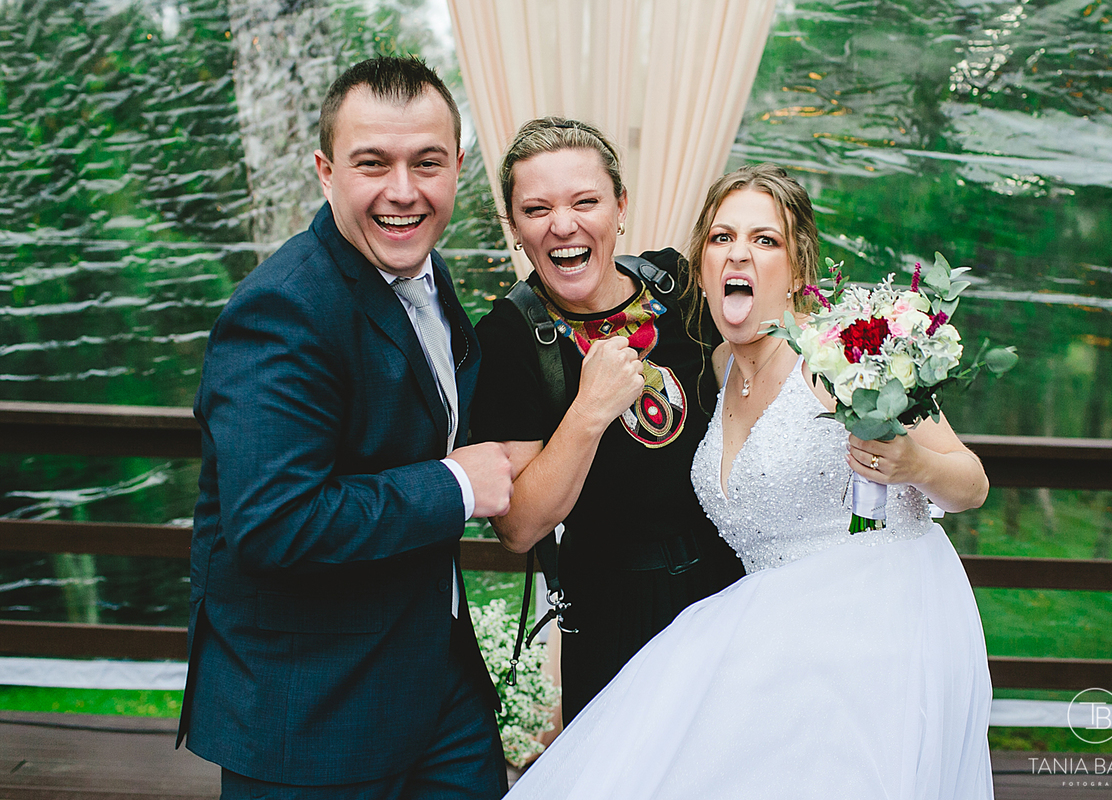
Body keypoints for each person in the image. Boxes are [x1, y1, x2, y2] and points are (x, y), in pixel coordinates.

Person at [503, 163, 995, 799]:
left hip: (874, 630)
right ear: (702, 266)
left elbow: (972, 482)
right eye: (721, 238)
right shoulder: (713, 363)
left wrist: (916, 466)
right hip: (768, 635)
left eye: (765, 240)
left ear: (797, 267)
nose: (740, 253)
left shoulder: (843, 350)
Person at [177, 56, 514, 800]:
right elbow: (276, 524)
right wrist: (456, 486)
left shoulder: (426, 271)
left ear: (456, 167)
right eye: (374, 163)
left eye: (427, 162)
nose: (404, 191)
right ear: (326, 171)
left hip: (437, 682)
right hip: (315, 712)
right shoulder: (282, 312)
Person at [471, 117, 745, 722]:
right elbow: (517, 528)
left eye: (585, 201)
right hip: (611, 614)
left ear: (620, 207)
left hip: (727, 591)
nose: (563, 224)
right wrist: (589, 410)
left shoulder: (681, 287)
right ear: (514, 227)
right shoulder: (510, 338)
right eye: (536, 208)